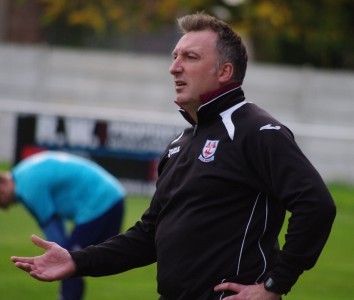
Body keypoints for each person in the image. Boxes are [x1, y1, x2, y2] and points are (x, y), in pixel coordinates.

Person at [10, 13, 336, 300]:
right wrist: (77, 261)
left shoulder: (256, 130)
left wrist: (274, 284)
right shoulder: (181, 143)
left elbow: (316, 205)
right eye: (175, 56)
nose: (174, 67)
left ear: (224, 71)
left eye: (189, 57)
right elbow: (148, 236)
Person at [1, 150, 126, 300]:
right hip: (112, 195)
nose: (4, 208)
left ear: (1, 186)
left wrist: (60, 256)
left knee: (68, 262)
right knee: (95, 259)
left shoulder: (27, 189)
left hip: (99, 203)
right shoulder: (23, 173)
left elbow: (53, 229)